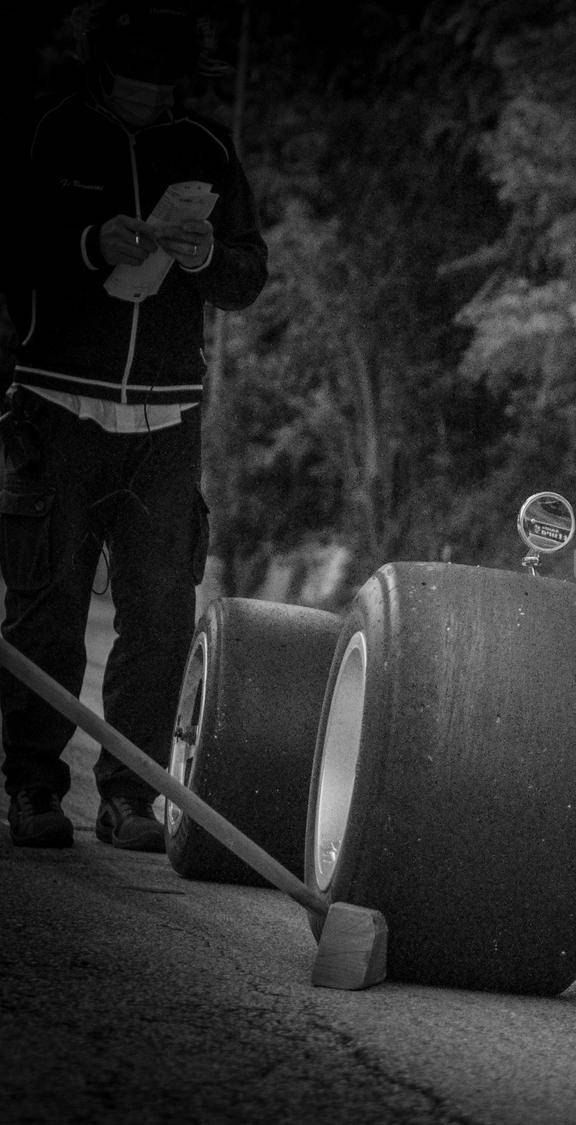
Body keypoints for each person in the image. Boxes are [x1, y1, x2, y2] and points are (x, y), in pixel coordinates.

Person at [2, 0, 267, 850]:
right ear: (101, 72)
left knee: (159, 614)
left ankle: (130, 797)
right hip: (56, 404)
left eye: (162, 86)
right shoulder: (50, 135)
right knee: (47, 607)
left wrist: (203, 258)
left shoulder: (208, 151)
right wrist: (87, 243)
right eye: (133, 83)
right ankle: (33, 789)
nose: (149, 98)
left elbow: (248, 275)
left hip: (166, 418)